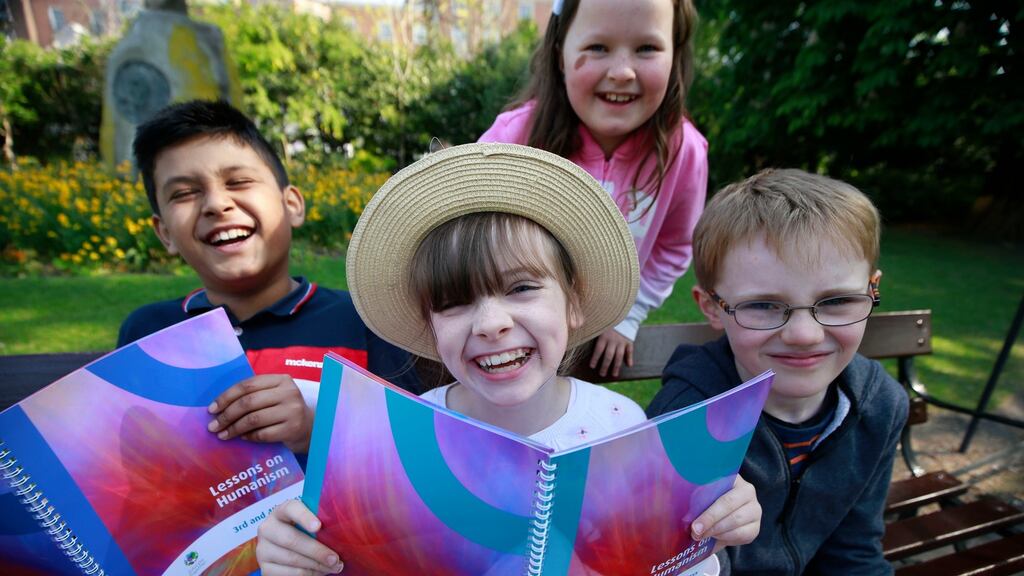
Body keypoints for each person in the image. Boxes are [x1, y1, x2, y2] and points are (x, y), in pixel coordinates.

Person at [255, 143, 760, 576]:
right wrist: (293, 553)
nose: (490, 323)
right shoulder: (398, 446)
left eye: (520, 287)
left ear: (574, 302)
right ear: (429, 324)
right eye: (454, 302)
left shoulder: (623, 429)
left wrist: (705, 533)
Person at [118, 100, 420, 456]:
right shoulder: (148, 332)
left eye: (239, 181)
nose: (217, 204)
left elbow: (416, 448)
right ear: (164, 232)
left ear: (291, 204)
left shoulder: (367, 320)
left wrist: (318, 427)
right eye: (184, 193)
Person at [648, 169, 909, 575]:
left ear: (872, 289)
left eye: (837, 300)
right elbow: (668, 561)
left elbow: (854, 553)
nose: (804, 335)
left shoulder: (880, 406)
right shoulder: (688, 417)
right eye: (765, 306)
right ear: (712, 307)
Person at [479, 0, 707, 379]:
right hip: (507, 340)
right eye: (598, 47)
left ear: (675, 54)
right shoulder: (511, 138)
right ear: (560, 55)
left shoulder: (685, 153)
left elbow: (674, 245)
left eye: (647, 48)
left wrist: (628, 315)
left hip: (594, 354)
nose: (621, 72)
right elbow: (469, 235)